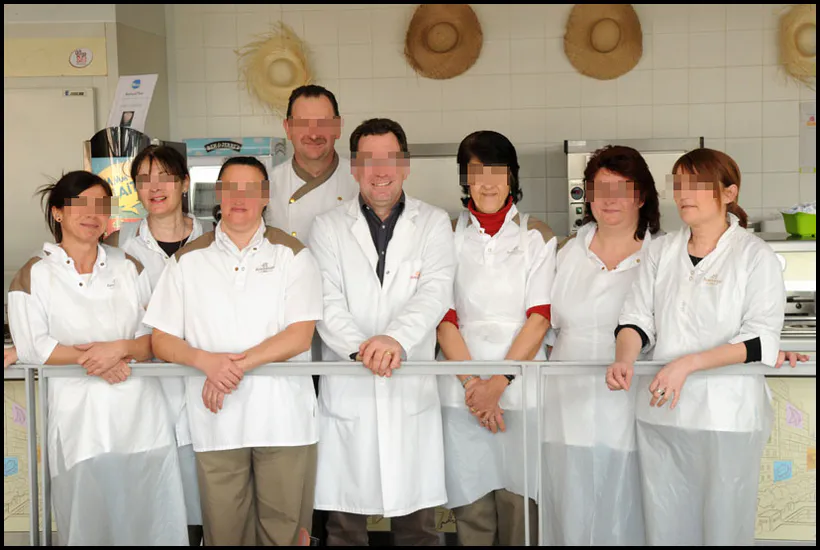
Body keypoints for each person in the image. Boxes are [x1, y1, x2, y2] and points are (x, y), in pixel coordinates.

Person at [608, 148, 787, 545]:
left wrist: (688, 364)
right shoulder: (659, 252)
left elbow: (761, 339)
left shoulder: (754, 256)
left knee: (723, 526)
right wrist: (624, 358)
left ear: (728, 193)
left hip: (726, 416)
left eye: (696, 185)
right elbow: (636, 319)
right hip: (662, 416)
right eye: (678, 184)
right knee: (663, 523)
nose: (683, 194)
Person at [143, 156, 324, 546]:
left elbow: (299, 336)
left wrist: (229, 369)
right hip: (217, 421)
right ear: (217, 196)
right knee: (224, 533)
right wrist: (206, 362)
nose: (239, 198)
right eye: (230, 188)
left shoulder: (293, 255)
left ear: (265, 197)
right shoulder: (187, 261)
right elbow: (162, 339)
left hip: (284, 421)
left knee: (285, 533)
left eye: (250, 189)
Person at [7, 171, 187, 545]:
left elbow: (154, 337)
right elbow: (34, 346)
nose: (93, 214)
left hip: (140, 416)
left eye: (101, 207)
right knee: (88, 520)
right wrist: (101, 359)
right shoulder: (35, 275)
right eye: (81, 205)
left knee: (149, 517)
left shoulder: (127, 266)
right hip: (79, 423)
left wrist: (118, 350)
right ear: (58, 213)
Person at [308, 118, 456, 546]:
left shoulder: (432, 223)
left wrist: (395, 341)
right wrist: (363, 349)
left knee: (420, 526)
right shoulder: (328, 226)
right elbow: (326, 302)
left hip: (410, 388)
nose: (380, 170)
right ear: (354, 168)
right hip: (351, 386)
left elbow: (434, 293)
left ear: (406, 165)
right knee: (346, 527)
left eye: (390, 159)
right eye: (368, 160)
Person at [436, 131, 555, 546]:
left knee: (521, 506)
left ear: (512, 176)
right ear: (464, 179)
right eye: (475, 172)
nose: (486, 182)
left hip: (520, 389)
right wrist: (474, 386)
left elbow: (539, 319)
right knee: (471, 507)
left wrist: (498, 384)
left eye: (496, 171)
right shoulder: (445, 235)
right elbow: (444, 318)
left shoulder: (536, 235)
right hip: (462, 390)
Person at [541, 145, 658, 546]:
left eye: (623, 188)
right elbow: (548, 328)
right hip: (565, 402)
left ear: (641, 196)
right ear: (587, 195)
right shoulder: (566, 252)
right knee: (569, 502)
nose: (610, 199)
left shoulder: (661, 255)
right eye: (600, 188)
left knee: (625, 504)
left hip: (630, 400)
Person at [104, 144, 205, 545]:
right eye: (145, 179)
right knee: (155, 507)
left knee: (209, 507)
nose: (155, 187)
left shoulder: (214, 239)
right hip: (145, 392)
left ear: (183, 183)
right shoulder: (119, 248)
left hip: (206, 386)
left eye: (165, 177)